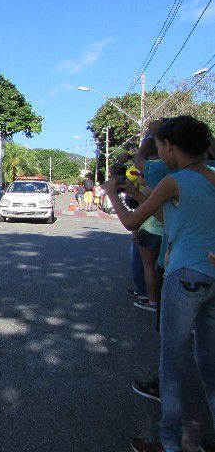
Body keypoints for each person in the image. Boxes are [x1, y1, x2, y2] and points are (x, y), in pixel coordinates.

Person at [103, 116, 215, 452]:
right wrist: (135, 191)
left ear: (169, 146)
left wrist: (113, 194)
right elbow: (173, 218)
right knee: (209, 362)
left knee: (172, 361)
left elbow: (130, 222)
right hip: (211, 276)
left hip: (183, 277)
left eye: (160, 146)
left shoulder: (174, 180)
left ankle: (169, 443)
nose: (158, 153)